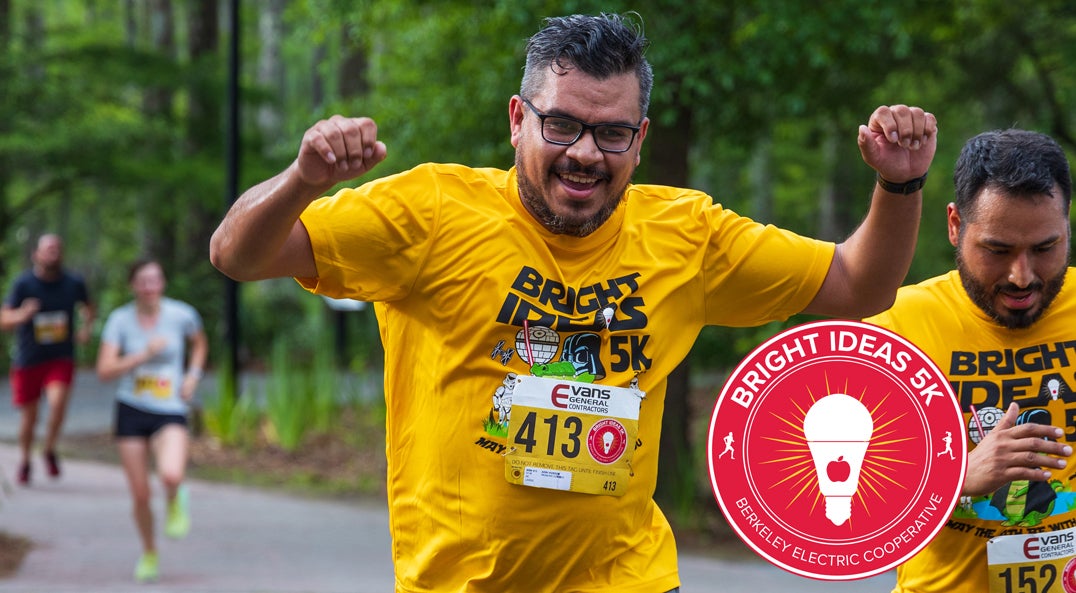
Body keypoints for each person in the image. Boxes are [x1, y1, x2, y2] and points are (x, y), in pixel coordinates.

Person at [209, 12, 936, 593]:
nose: (586, 152)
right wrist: (303, 179)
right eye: (562, 124)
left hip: (630, 578)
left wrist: (898, 185)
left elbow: (857, 283)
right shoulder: (429, 212)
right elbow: (237, 253)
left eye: (612, 131)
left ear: (641, 139)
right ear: (518, 119)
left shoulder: (687, 234)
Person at [864, 128, 1075, 593]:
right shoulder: (897, 326)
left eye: (1045, 249)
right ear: (956, 225)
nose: (1022, 277)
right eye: (997, 251)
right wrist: (956, 477)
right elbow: (846, 496)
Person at [95, 258, 208, 583]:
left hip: (170, 408)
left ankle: (176, 498)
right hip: (131, 409)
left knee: (172, 474)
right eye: (143, 281)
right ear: (133, 285)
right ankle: (149, 551)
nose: (150, 287)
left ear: (163, 283)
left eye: (155, 280)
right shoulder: (120, 321)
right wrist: (143, 354)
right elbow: (104, 371)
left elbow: (200, 343)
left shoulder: (181, 314)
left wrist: (192, 376)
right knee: (141, 495)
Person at [0, 233, 95, 485]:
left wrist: (85, 328)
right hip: (29, 358)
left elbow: (89, 307)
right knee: (29, 418)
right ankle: (25, 460)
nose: (53, 252)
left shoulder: (73, 282)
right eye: (48, 248)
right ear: (36, 254)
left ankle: (49, 448)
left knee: (57, 404)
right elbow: (4, 319)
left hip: (60, 356)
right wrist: (22, 314)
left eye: (57, 248)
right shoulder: (23, 284)